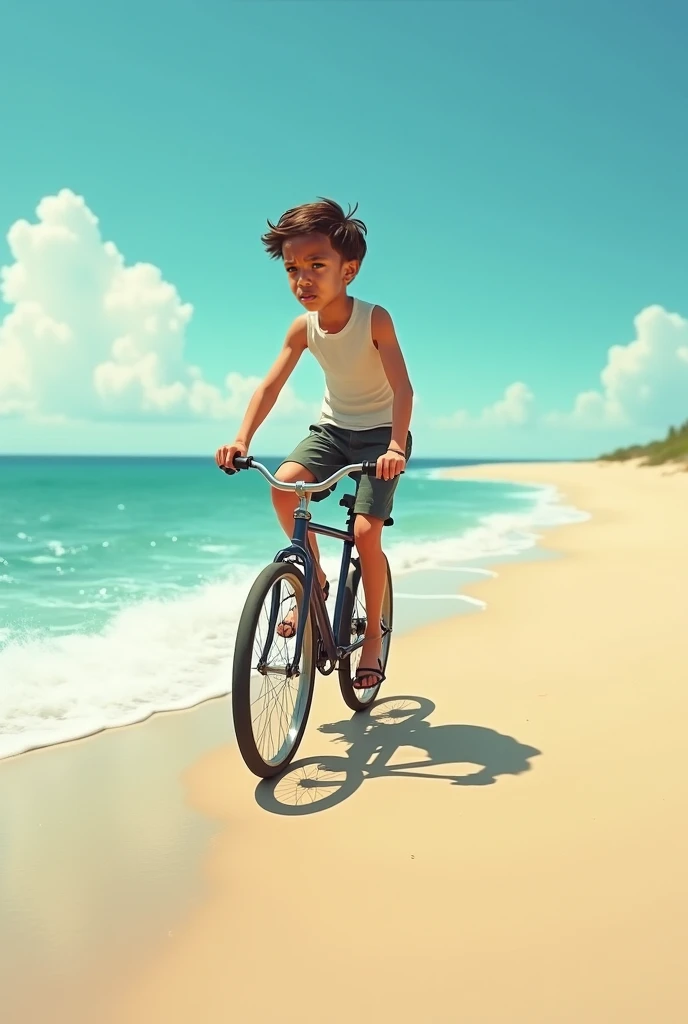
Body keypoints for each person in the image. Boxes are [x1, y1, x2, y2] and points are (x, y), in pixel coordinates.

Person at [215, 198, 413, 689]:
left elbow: (404, 390)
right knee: (284, 485)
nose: (302, 279)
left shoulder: (375, 319)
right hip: (331, 430)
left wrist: (394, 448)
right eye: (292, 269)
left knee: (366, 532)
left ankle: (370, 643)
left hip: (381, 436)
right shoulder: (301, 328)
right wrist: (241, 439)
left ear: (349, 270)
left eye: (316, 266)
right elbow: (270, 386)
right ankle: (315, 577)